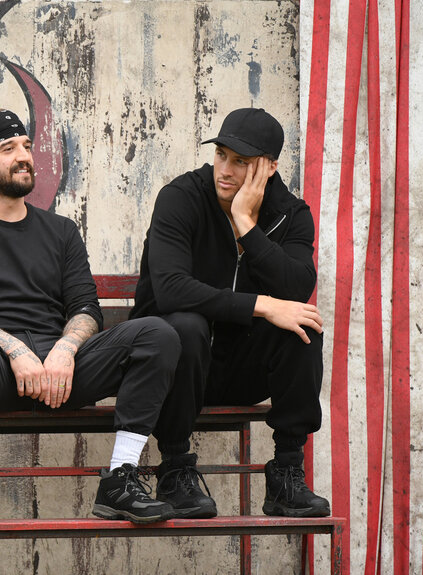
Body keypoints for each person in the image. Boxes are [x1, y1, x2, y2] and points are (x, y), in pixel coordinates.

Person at [0, 96, 182, 526]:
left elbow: (84, 306)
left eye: (25, 145)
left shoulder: (60, 230)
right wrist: (17, 352)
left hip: (65, 375)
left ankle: (121, 477)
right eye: (8, 149)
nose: (24, 156)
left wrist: (65, 349)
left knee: (158, 333)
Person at [130, 107, 330, 518]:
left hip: (237, 368)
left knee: (302, 324)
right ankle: (174, 470)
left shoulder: (289, 214)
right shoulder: (181, 197)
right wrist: (261, 305)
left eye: (242, 162)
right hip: (171, 368)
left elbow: (296, 287)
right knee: (185, 325)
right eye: (222, 154)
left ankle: (286, 475)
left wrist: (245, 224)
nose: (225, 169)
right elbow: (169, 290)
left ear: (270, 167)